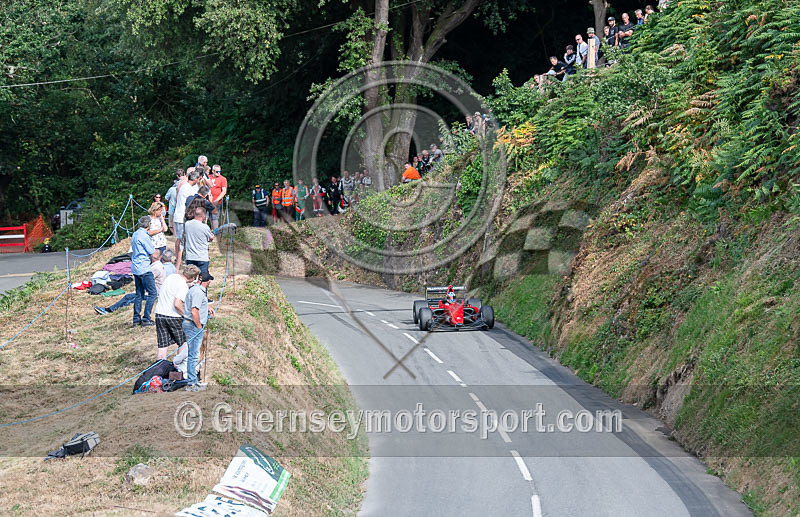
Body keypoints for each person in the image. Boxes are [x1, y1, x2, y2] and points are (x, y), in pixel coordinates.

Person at [94, 249, 164, 315]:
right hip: (149, 293)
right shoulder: (156, 265)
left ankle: (112, 311)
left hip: (151, 295)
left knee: (130, 301)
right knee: (127, 296)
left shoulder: (155, 268)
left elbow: (145, 281)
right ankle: (109, 309)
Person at [155, 264, 200, 360]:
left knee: (162, 345)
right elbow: (177, 304)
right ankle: (179, 365)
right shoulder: (183, 286)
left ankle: (160, 365)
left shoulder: (171, 277)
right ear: (193, 277)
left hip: (159, 314)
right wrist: (187, 315)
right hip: (173, 316)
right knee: (183, 342)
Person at [183, 271, 215, 391]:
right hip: (193, 326)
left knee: (193, 354)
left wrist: (207, 309)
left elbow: (197, 306)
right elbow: (194, 311)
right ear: (208, 281)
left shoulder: (195, 289)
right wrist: (199, 326)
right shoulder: (198, 292)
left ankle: (193, 381)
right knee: (194, 355)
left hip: (191, 324)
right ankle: (191, 384)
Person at [131, 216, 157, 327]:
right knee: (153, 293)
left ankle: (136, 319)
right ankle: (146, 318)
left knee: (139, 294)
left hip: (135, 267)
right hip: (144, 268)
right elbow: (151, 251)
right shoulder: (144, 236)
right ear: (148, 225)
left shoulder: (135, 234)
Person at [174, 169, 200, 268]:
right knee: (183, 240)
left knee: (179, 239)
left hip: (178, 215)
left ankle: (178, 259)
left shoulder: (184, 186)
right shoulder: (189, 189)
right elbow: (192, 204)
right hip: (182, 217)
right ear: (195, 179)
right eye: (198, 179)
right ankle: (182, 260)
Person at [183, 206, 215, 275]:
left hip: (190, 257)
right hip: (202, 257)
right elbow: (210, 238)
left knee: (190, 278)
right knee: (203, 278)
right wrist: (212, 237)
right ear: (203, 215)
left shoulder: (187, 224)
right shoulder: (205, 227)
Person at [208, 164, 227, 230]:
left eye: (220, 171)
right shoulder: (208, 177)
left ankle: (215, 232)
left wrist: (217, 200)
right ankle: (211, 232)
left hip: (216, 202)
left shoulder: (223, 179)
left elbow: (224, 191)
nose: (219, 173)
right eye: (217, 171)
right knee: (208, 217)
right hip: (207, 201)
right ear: (213, 171)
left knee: (215, 218)